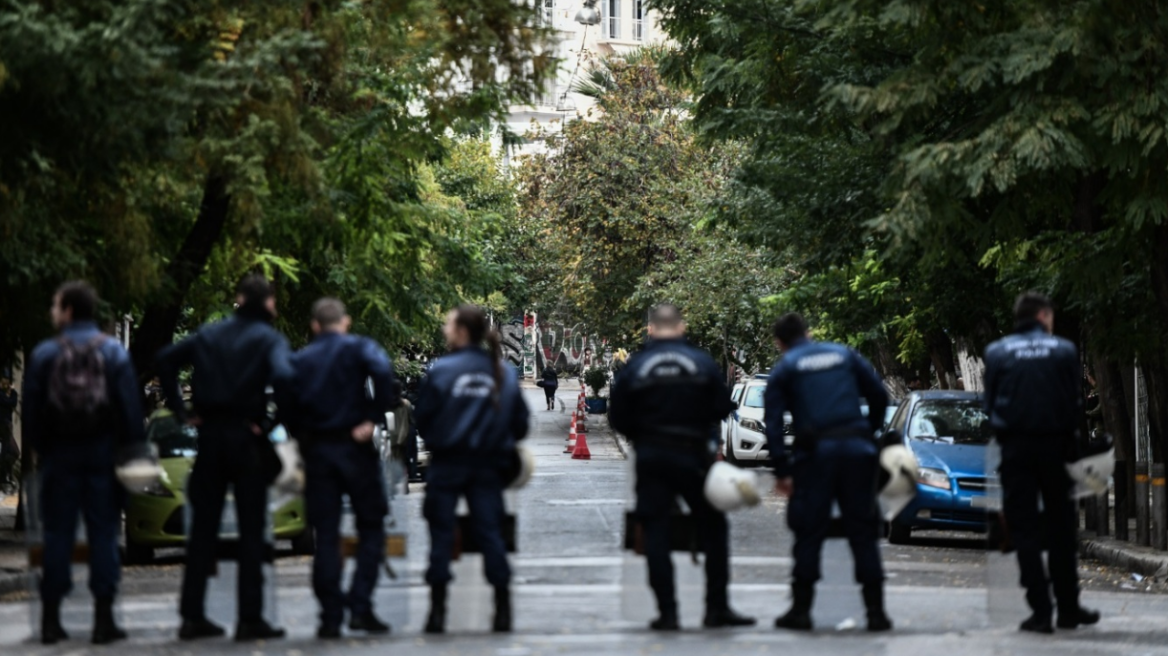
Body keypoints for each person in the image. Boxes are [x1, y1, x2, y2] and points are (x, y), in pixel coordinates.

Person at [156, 274, 294, 642]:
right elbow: (286, 378)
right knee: (251, 530)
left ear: (239, 299)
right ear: (266, 303)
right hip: (246, 439)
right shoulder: (268, 339)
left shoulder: (209, 334)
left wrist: (181, 410)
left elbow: (165, 360)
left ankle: (192, 616)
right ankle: (250, 618)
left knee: (203, 529)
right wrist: (270, 423)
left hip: (210, 439)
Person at [609, 304, 754, 631]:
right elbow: (722, 406)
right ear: (682, 327)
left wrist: (643, 436)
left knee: (656, 532)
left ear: (651, 329)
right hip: (694, 456)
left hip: (652, 456)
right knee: (713, 528)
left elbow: (618, 416)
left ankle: (668, 613)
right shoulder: (701, 361)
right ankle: (716, 608)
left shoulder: (637, 366)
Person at [21, 281, 146, 644]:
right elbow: (130, 411)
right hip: (103, 455)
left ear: (69, 310)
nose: (52, 312)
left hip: (60, 455)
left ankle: (50, 619)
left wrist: (46, 449)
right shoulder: (113, 353)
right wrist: (130, 453)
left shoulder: (45, 354)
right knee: (103, 534)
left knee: (57, 534)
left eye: (55, 305)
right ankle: (103, 619)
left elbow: (31, 414)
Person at [763, 312, 891, 632]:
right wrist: (868, 433)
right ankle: (876, 612)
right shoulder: (843, 354)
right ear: (808, 333)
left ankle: (801, 611)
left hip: (815, 457)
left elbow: (773, 424)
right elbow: (879, 395)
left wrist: (782, 470)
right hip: (858, 452)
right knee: (863, 530)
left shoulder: (785, 368)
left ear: (780, 343)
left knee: (809, 531)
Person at [983, 292, 1100, 633]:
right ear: (1043, 316)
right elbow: (1074, 403)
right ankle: (1068, 608)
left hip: (1016, 450)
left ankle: (1040, 611)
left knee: (1024, 530)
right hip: (1055, 448)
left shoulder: (997, 352)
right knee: (1062, 528)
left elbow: (990, 405)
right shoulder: (1064, 350)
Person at [414, 305, 530, 634]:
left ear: (462, 331)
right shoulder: (501, 371)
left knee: (441, 535)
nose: (444, 329)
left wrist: (442, 439)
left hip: (447, 464)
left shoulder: (441, 371)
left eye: (448, 324)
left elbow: (424, 419)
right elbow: (520, 424)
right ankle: (502, 609)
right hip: (488, 466)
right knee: (490, 533)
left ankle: (437, 612)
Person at [288, 298, 400, 639]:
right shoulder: (359, 348)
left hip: (319, 452)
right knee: (371, 527)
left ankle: (330, 616)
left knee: (326, 534)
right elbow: (383, 373)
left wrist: (303, 437)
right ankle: (361, 605)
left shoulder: (301, 359)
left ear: (314, 326)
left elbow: (286, 398)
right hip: (355, 448)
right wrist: (372, 417)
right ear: (345, 322)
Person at [0, 374, 19, 491]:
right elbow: (12, 402)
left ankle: (5, 475)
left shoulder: (4, 394)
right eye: (4, 382)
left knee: (11, 452)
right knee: (10, 451)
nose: (6, 384)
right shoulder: (1, 395)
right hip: (4, 425)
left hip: (7, 425)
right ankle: (3, 477)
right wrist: (14, 392)